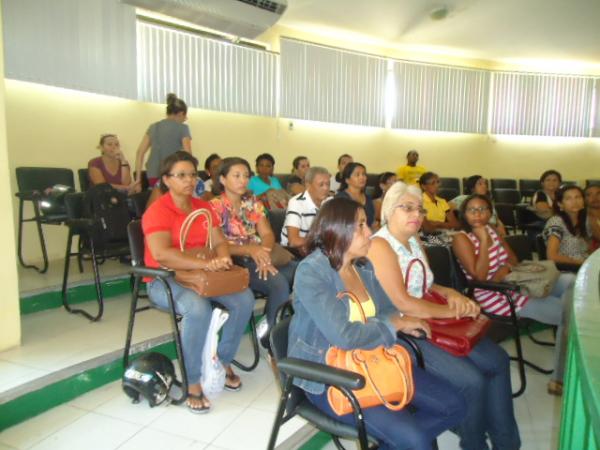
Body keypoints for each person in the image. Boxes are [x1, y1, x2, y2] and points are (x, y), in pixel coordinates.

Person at [289, 197, 466, 450]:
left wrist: (394, 321)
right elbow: (346, 337)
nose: (369, 232)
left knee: (455, 405)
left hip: (373, 358)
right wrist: (392, 324)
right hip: (330, 374)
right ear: (337, 229)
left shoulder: (362, 266)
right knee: (414, 440)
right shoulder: (312, 272)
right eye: (360, 225)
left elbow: (389, 311)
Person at [368, 181, 520, 450]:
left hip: (431, 318)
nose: (417, 215)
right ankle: (474, 443)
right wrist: (451, 310)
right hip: (405, 331)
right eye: (408, 208)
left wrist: (452, 293)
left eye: (420, 209)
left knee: (498, 360)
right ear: (389, 210)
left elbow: (426, 284)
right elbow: (403, 301)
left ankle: (506, 442)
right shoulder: (380, 245)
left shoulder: (413, 238)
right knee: (470, 381)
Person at [142, 151, 254, 413]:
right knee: (198, 309)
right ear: (166, 180)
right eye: (181, 175)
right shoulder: (157, 211)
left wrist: (223, 258)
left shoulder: (203, 207)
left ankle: (222, 362)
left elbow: (218, 242)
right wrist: (206, 263)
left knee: (244, 299)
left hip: (202, 275)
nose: (189, 180)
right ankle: (193, 381)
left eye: (192, 175)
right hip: (164, 278)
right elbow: (161, 254)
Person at [452, 194, 575, 395]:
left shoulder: (491, 230)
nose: (478, 214)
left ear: (490, 212)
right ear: (463, 214)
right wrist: (484, 242)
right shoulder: (461, 238)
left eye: (483, 209)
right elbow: (479, 276)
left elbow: (513, 260)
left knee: (570, 281)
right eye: (471, 210)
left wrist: (505, 268)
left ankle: (566, 340)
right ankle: (559, 377)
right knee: (567, 314)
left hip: (514, 284)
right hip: (496, 296)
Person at [210, 157, 297, 339]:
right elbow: (217, 245)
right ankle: (271, 339)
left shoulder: (252, 202)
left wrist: (263, 254)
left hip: (260, 256)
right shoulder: (213, 207)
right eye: (237, 176)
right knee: (278, 282)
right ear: (222, 179)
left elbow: (267, 234)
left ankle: (279, 324)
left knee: (301, 272)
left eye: (246, 176)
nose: (243, 180)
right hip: (236, 261)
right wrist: (251, 250)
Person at [133, 93, 192, 201]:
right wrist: (191, 176)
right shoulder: (183, 128)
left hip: (152, 175)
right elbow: (188, 155)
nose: (185, 119)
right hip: (173, 175)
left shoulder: (153, 127)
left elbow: (139, 152)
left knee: (159, 205)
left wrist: (138, 179)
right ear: (181, 113)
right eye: (185, 116)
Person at [281, 166, 331, 252]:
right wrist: (322, 243)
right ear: (308, 185)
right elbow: (293, 241)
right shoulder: (296, 203)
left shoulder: (330, 201)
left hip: (318, 247)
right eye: (321, 184)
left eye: (328, 184)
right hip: (294, 250)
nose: (326, 188)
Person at [543, 185, 590, 267]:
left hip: (584, 265)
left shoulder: (584, 220)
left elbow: (588, 248)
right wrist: (581, 263)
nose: (574, 202)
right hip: (566, 269)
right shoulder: (556, 221)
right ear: (560, 204)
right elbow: (552, 256)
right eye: (568, 199)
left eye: (578, 197)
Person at [335, 162, 377, 229]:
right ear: (347, 180)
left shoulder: (368, 198)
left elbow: (372, 221)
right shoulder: (341, 198)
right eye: (357, 175)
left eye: (364, 174)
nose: (362, 177)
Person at [584, 183, 600, 251]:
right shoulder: (583, 217)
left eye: (598, 194)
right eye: (589, 195)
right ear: (584, 198)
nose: (594, 198)